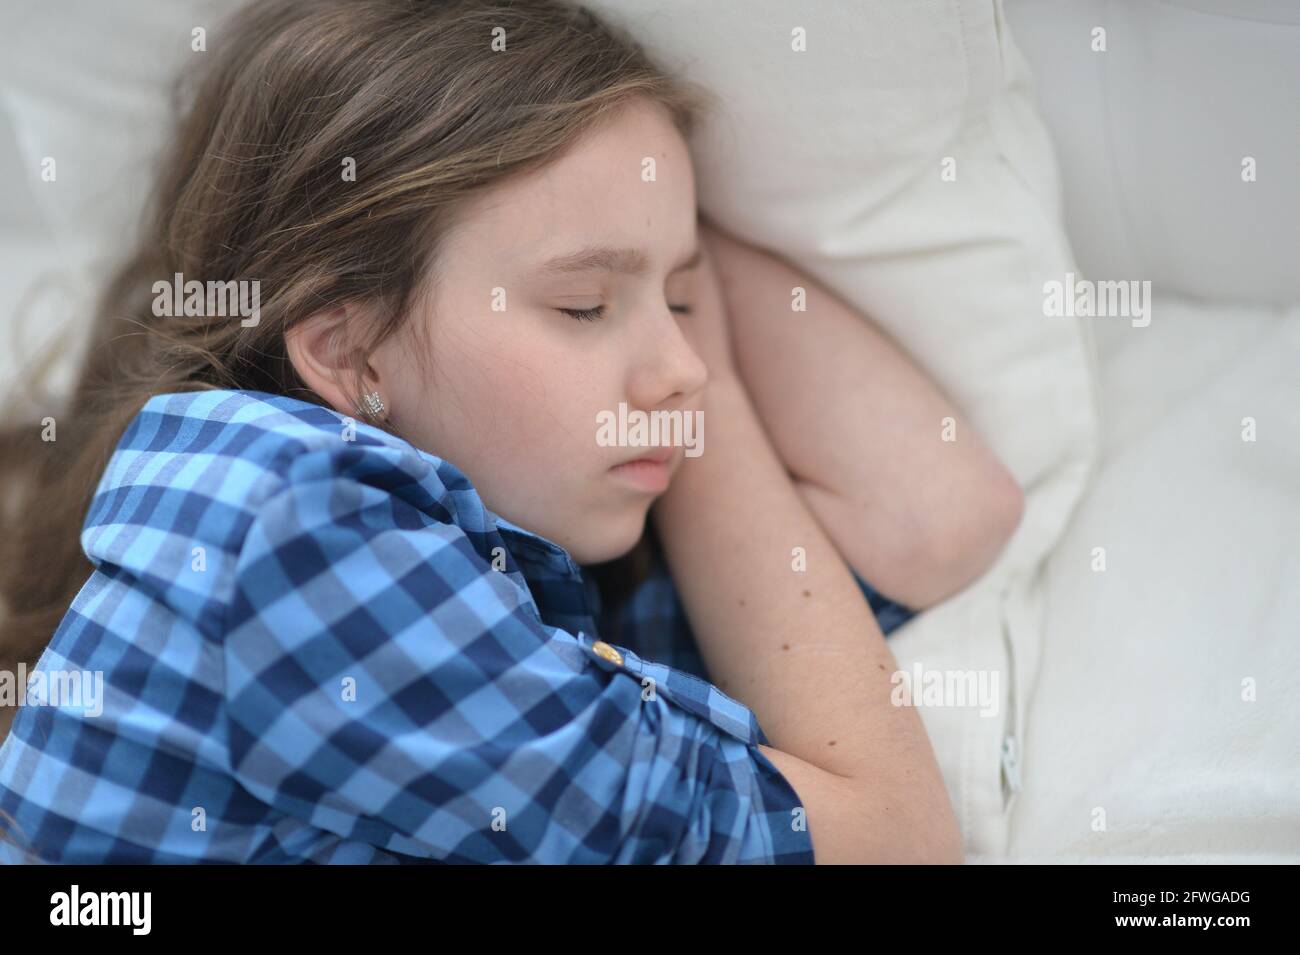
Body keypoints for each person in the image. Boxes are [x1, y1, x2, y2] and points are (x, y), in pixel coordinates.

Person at [0, 0, 1020, 864]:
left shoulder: (515, 552)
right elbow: (895, 840)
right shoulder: (291, 527)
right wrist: (663, 311)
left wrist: (647, 304)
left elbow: (938, 513)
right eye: (582, 305)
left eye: (684, 300)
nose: (692, 370)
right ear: (352, 356)